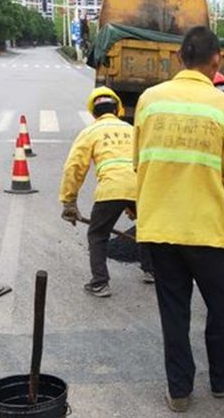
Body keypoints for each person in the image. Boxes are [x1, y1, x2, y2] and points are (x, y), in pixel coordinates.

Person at [133, 25, 224, 412]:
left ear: (179, 58)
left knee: (174, 310)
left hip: (160, 227)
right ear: (217, 60)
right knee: (223, 309)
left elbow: (138, 162)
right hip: (208, 231)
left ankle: (179, 391)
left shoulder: (149, 101)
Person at [59, 86, 154, 297]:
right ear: (118, 109)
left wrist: (69, 201)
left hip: (111, 189)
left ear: (93, 112)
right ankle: (150, 270)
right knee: (147, 230)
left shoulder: (90, 132)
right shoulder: (131, 130)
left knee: (98, 234)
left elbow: (74, 167)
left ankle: (100, 283)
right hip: (140, 186)